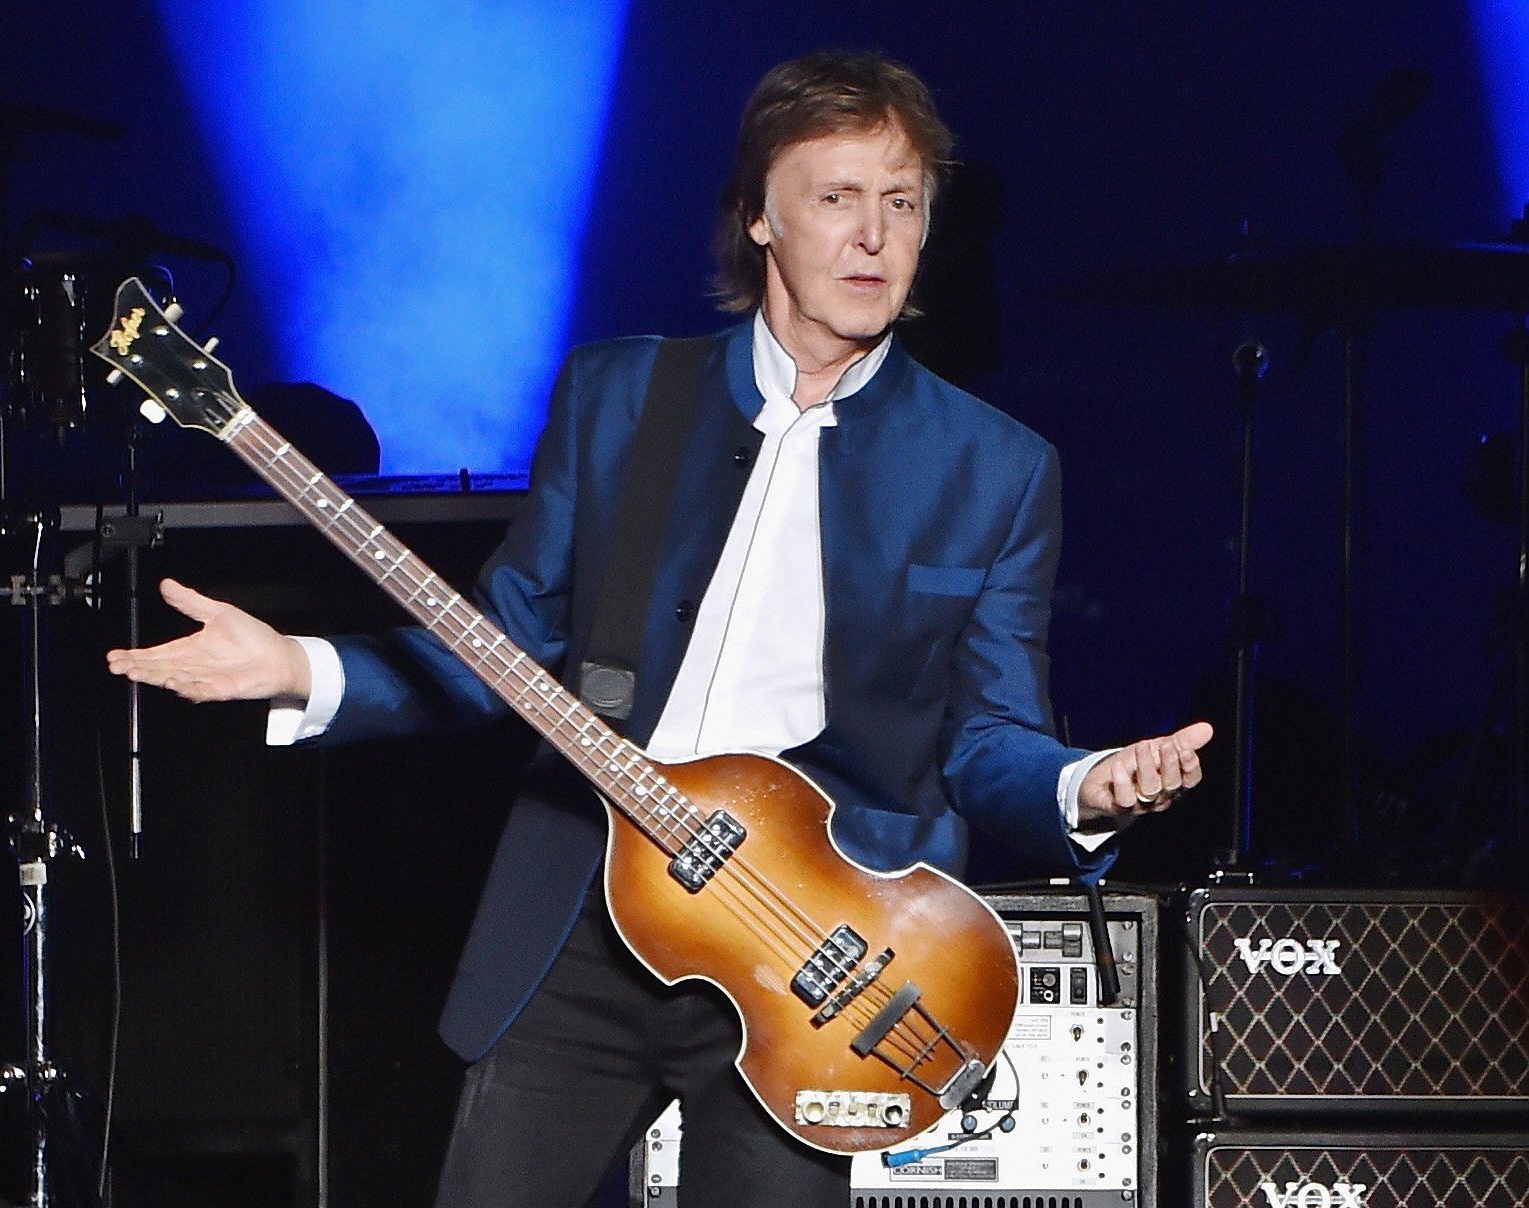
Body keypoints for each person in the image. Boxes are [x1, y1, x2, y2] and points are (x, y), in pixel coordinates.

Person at [108, 50, 1211, 1208]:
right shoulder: (623, 397)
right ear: (759, 217)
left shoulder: (994, 467)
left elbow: (989, 735)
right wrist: (297, 665)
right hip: (591, 898)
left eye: (902, 203)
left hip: (818, 956)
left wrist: (1087, 783)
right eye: (836, 197)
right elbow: (506, 642)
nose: (874, 236)